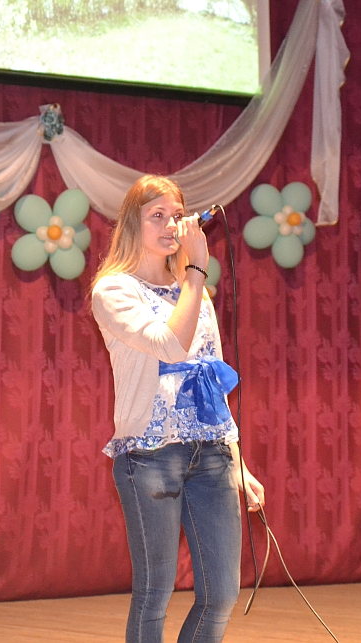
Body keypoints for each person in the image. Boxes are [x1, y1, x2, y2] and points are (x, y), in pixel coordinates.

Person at [91, 174, 265, 643]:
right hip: (150, 455)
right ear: (133, 223)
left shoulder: (196, 292)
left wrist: (239, 462)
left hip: (211, 452)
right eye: (157, 215)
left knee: (221, 594)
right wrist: (195, 270)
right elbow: (169, 345)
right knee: (155, 593)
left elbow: (212, 377)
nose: (171, 225)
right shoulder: (114, 290)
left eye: (177, 215)